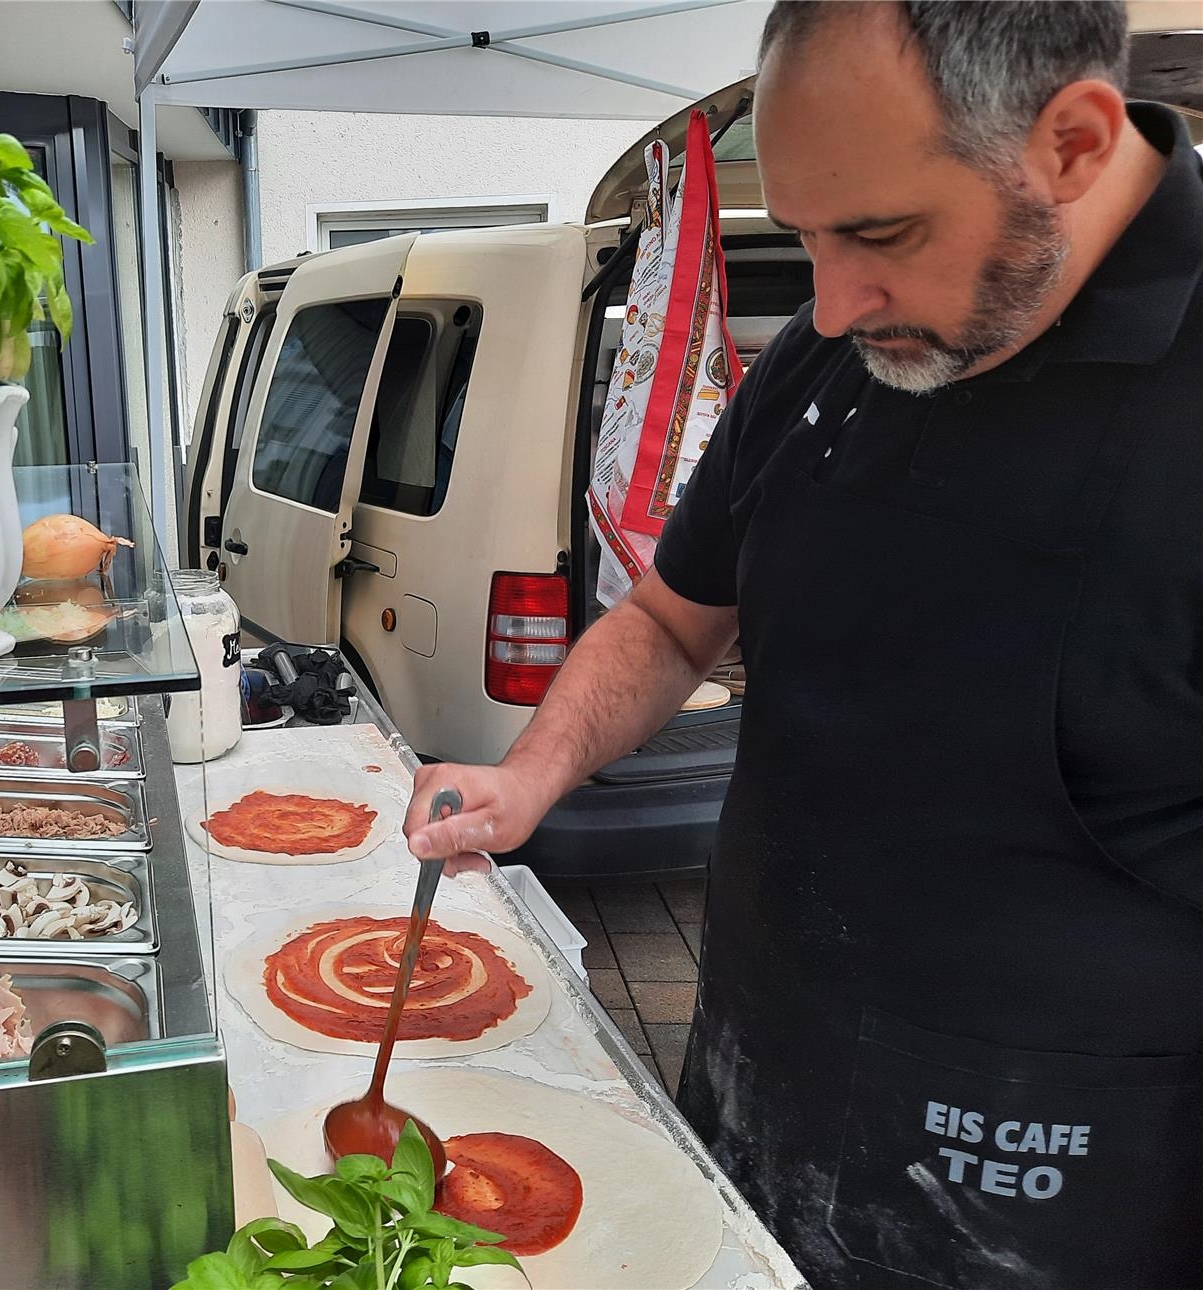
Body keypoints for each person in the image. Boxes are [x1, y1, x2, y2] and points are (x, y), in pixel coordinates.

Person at [401, 3, 1202, 1285]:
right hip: (755, 1070)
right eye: (804, 240)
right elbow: (668, 619)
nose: (828, 306)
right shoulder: (827, 364)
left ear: (1072, 142)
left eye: (878, 235)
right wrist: (532, 774)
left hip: (1048, 1177)